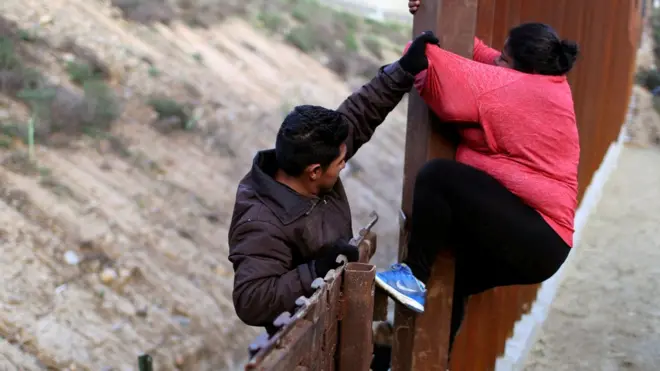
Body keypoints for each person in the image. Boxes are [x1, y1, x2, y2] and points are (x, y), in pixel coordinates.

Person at [375, 0, 581, 349]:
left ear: (520, 69)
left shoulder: (514, 92)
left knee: (439, 177)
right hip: (545, 241)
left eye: (505, 59)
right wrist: (430, 13)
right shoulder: (545, 85)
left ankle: (412, 276)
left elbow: (435, 72)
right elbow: (482, 58)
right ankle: (433, 358)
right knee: (454, 283)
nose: (497, 62)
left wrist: (421, 40)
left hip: (536, 233)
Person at [227, 31, 439, 353]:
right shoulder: (261, 219)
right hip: (311, 347)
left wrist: (404, 70)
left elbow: (358, 114)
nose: (345, 164)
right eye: (340, 162)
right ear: (314, 171)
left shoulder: (310, 159)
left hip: (345, 325)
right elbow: (251, 300)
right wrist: (315, 270)